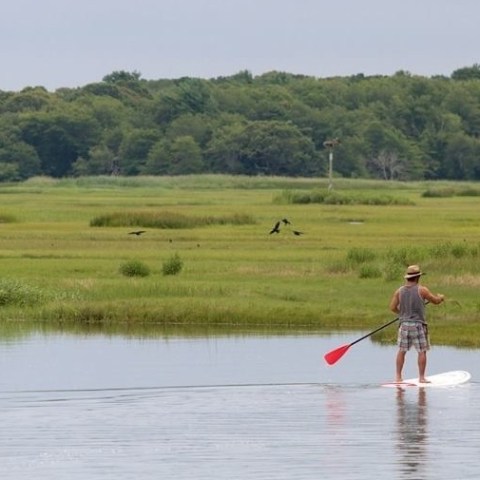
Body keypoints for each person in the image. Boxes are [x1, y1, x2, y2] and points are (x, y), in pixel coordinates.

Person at [389, 265, 445, 383]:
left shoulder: (399, 291)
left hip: (404, 325)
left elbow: (392, 307)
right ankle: (421, 378)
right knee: (421, 351)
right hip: (418, 325)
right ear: (418, 277)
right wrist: (441, 298)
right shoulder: (422, 290)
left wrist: (402, 313)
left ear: (408, 277)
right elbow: (435, 301)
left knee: (401, 350)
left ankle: (398, 378)